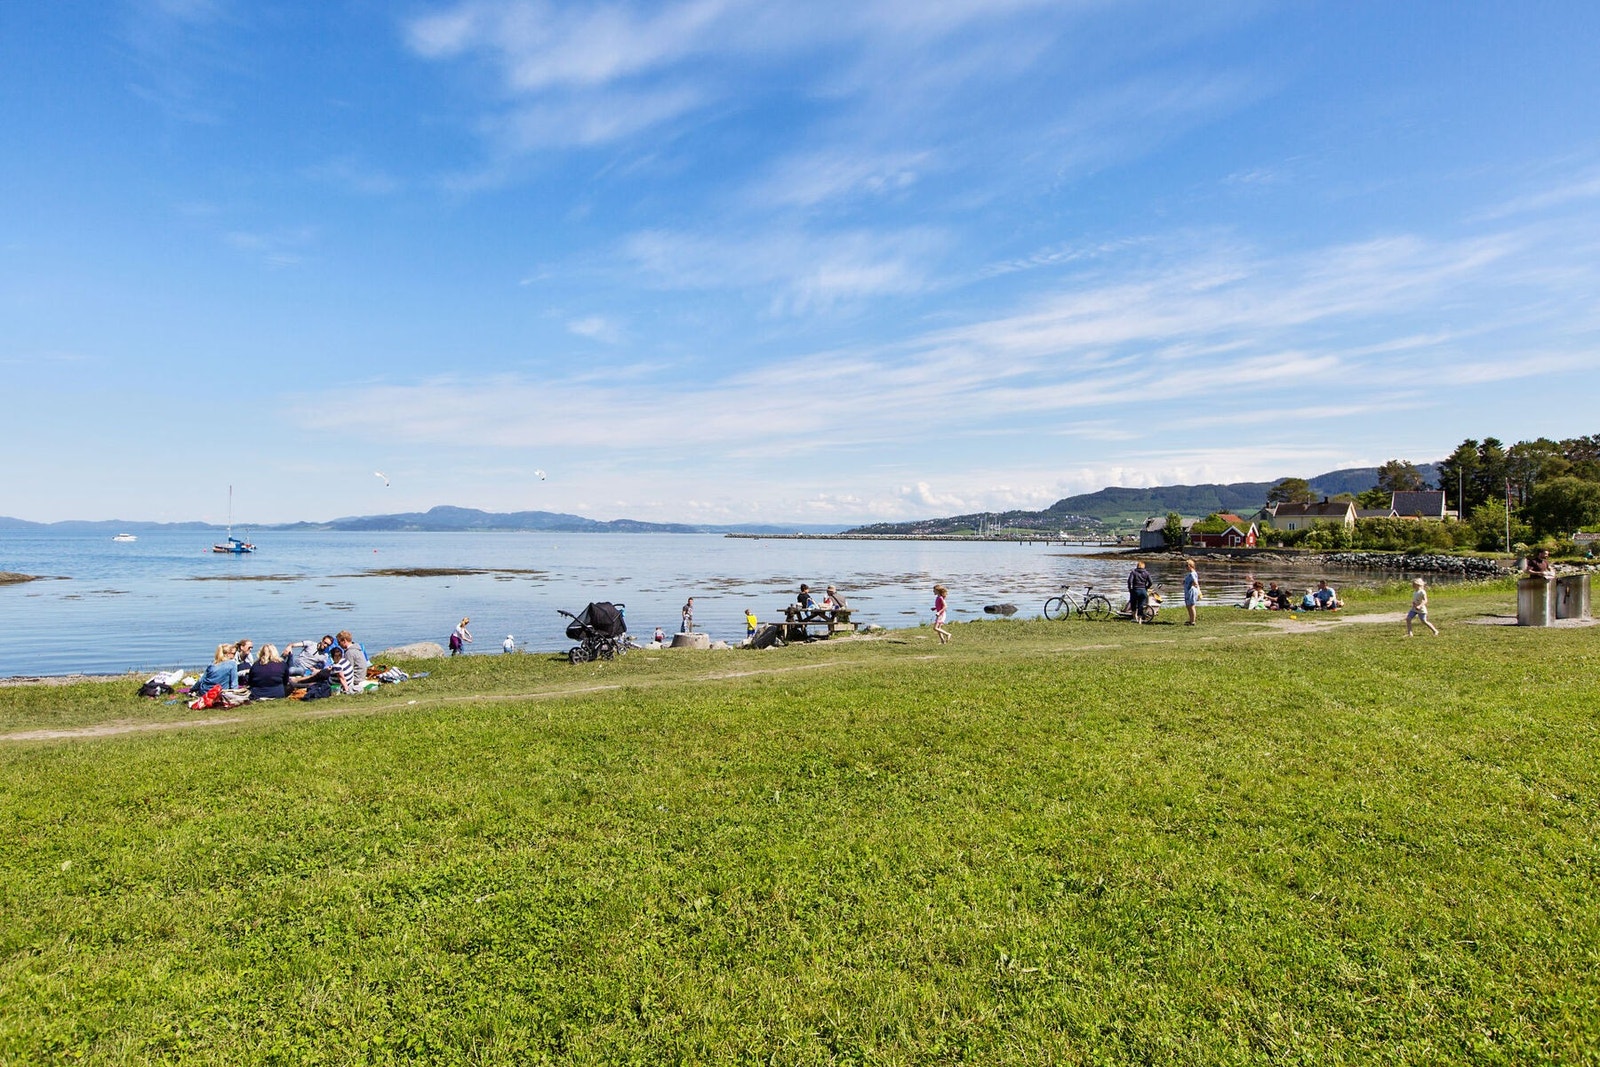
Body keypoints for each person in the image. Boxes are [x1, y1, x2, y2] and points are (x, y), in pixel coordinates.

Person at [1182, 559, 1201, 626]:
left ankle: (1192, 621)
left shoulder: (1192, 574)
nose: (1185, 567)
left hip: (1191, 591)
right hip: (1188, 591)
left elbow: (1195, 583)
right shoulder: (1191, 573)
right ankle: (1191, 620)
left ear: (1190, 566)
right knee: (1188, 606)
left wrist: (1191, 584)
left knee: (1191, 606)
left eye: (1186, 566)